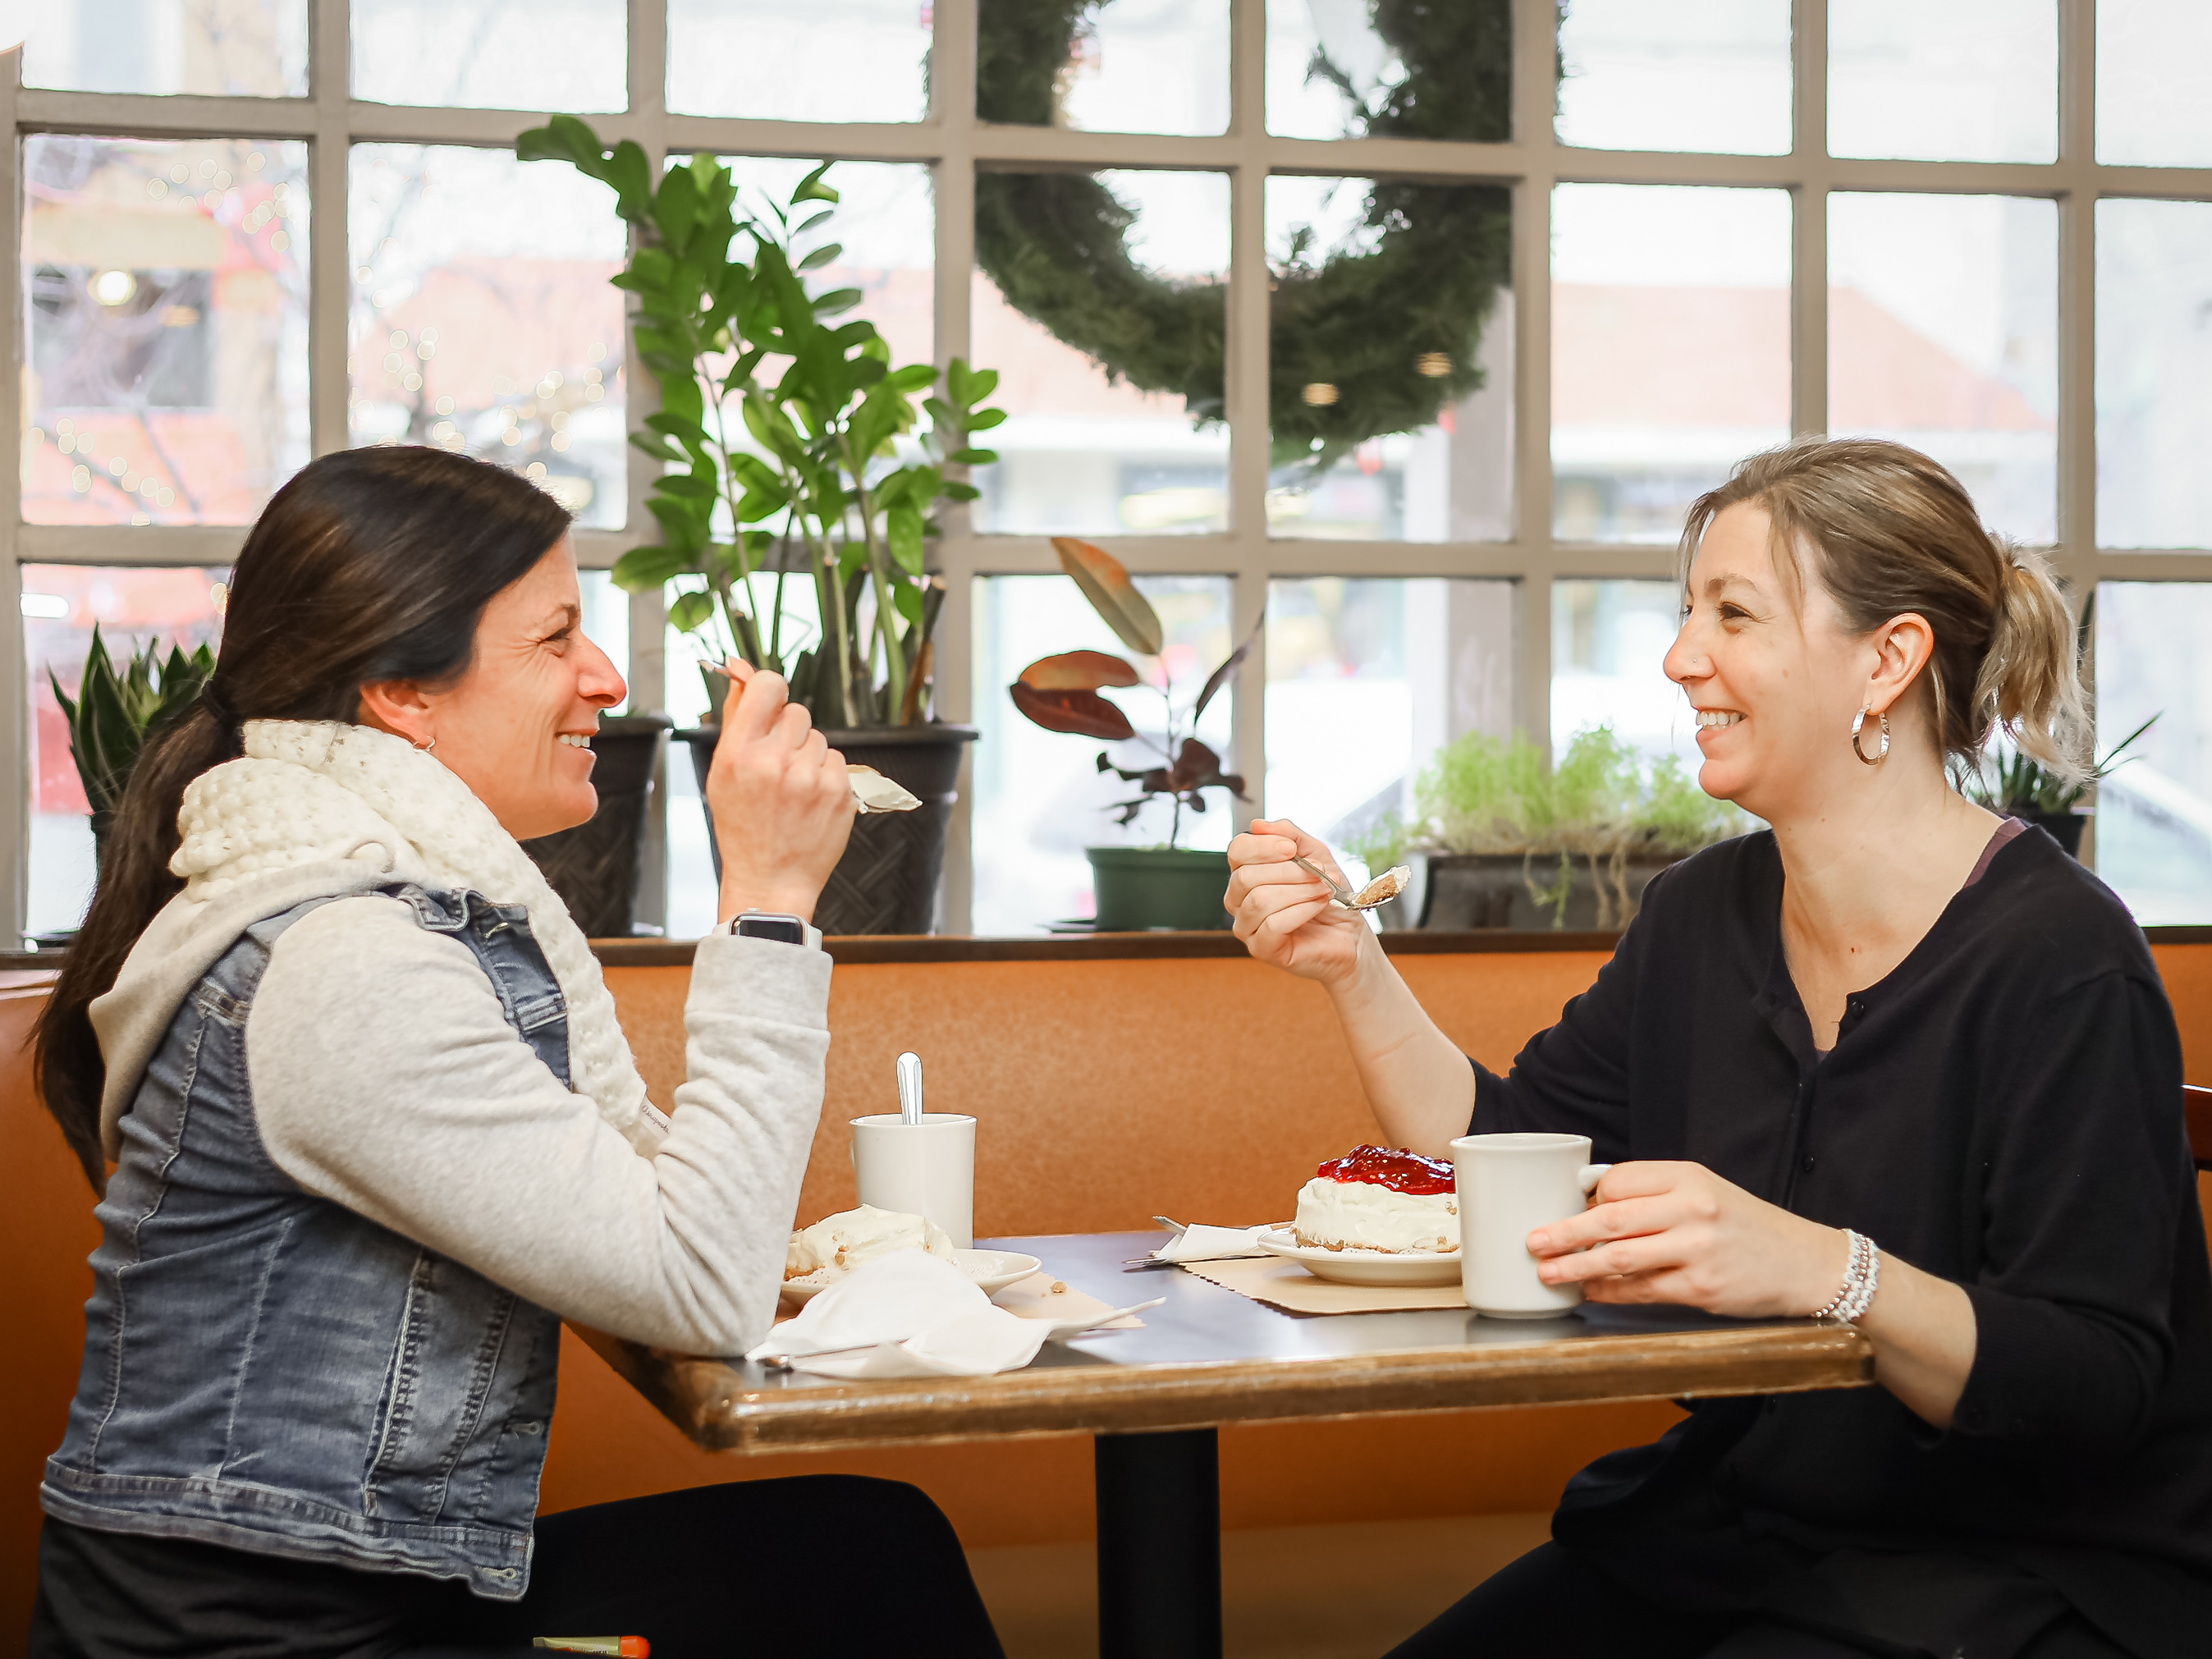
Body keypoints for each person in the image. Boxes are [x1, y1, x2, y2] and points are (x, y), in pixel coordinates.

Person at [1227, 438, 2212, 1659]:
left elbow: (2091, 1383)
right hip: (1747, 1536)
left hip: (2016, 1575)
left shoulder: (2064, 958)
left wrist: (1825, 1267)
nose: (1680, 656)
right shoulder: (1705, 914)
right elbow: (1502, 1152)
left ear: (1888, 661)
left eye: (1733, 614)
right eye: (1688, 611)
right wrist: (1354, 968)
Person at [30, 447, 1005, 1658]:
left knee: (861, 1549)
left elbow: (665, 1244)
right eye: (555, 639)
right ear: (401, 691)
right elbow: (702, 1284)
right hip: (260, 1632)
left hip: (358, 1586)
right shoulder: (345, 965)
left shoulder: (377, 913)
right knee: (860, 1578)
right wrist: (764, 901)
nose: (603, 677)